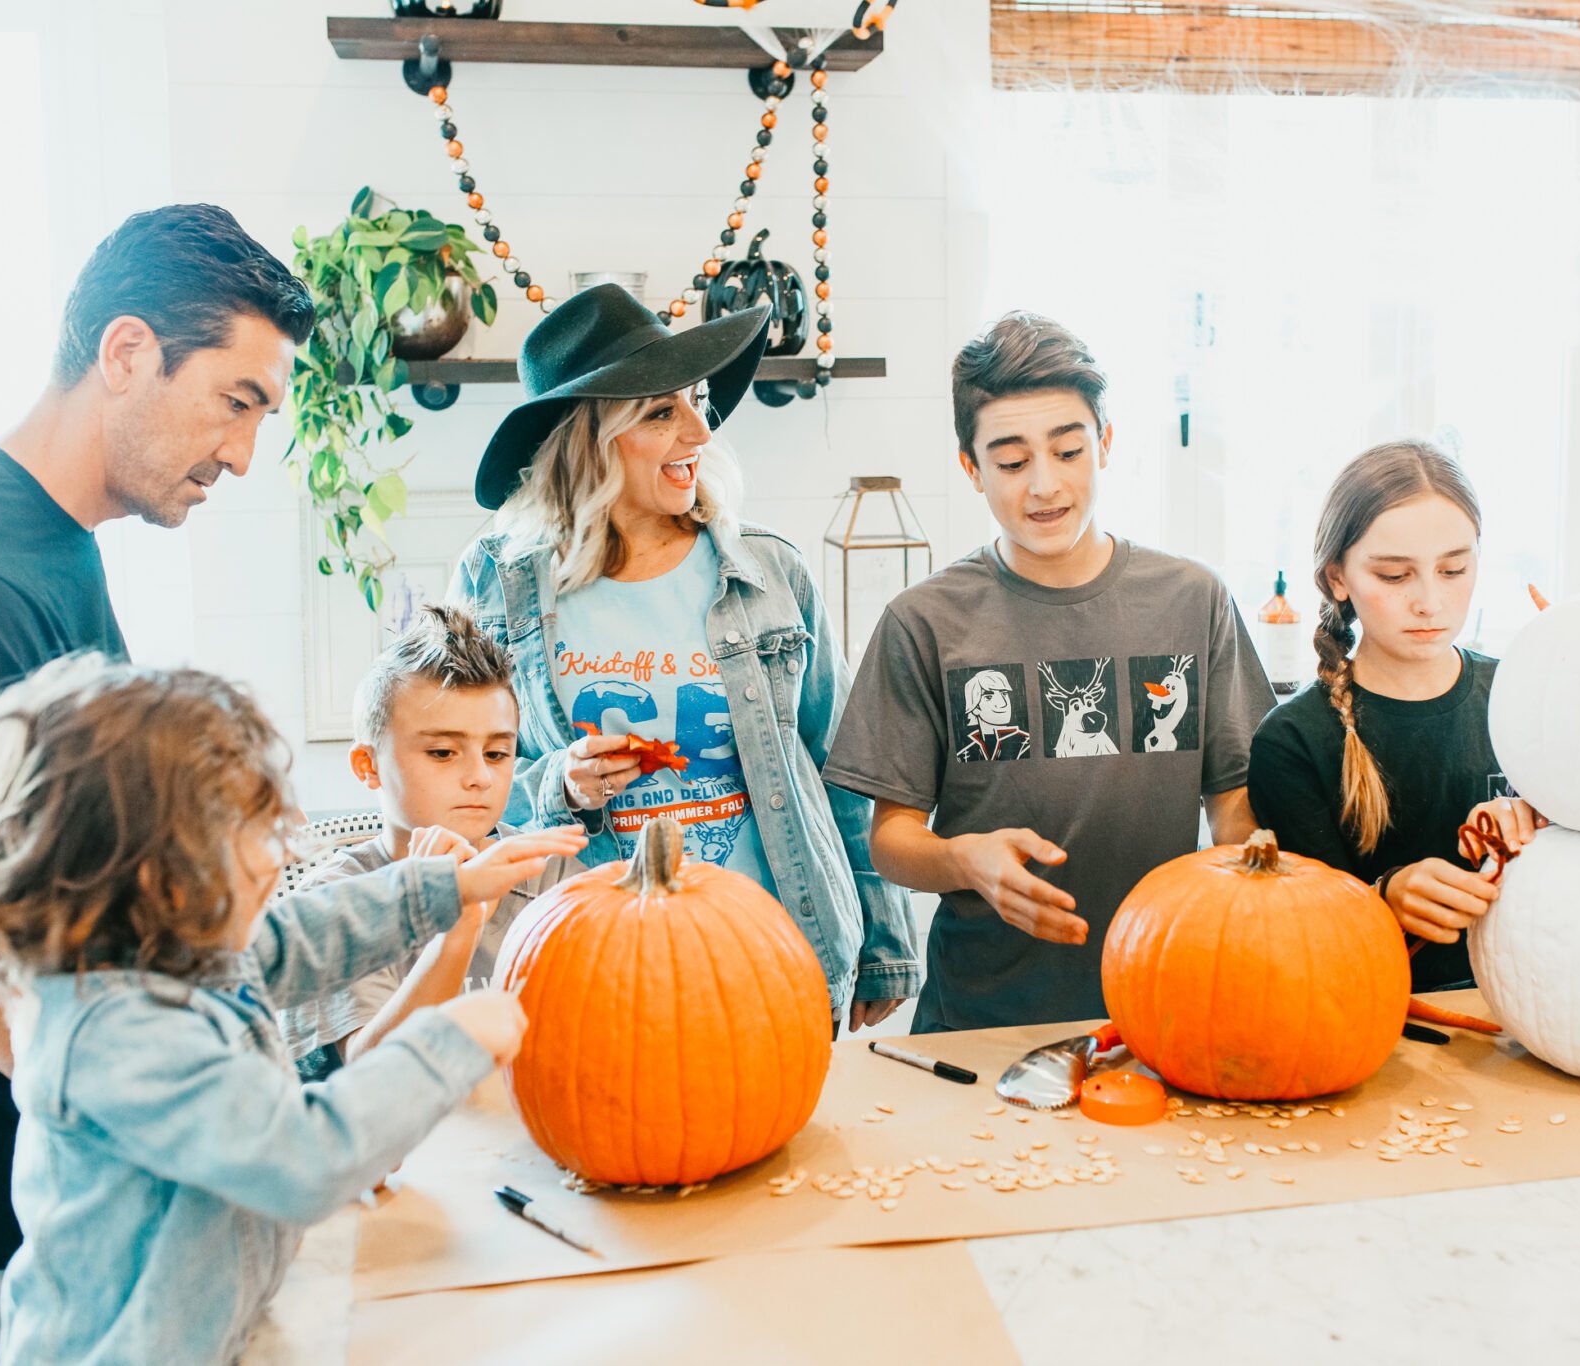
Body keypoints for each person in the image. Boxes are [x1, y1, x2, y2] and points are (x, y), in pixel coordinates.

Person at [0, 203, 313, 1362]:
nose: (244, 454)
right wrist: (152, 1113)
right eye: (236, 401)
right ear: (126, 354)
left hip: (46, 1176)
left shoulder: (52, 537)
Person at [0, 655, 567, 1364]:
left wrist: (447, 886)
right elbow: (301, 1159)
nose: (279, 856)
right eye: (257, 835)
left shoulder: (166, 952)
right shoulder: (116, 1031)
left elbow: (294, 939)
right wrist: (448, 1040)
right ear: (159, 869)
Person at [450, 283, 917, 1034]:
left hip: (778, 948)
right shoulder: (497, 582)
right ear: (589, 439)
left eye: (696, 400)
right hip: (597, 969)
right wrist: (559, 785)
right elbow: (462, 778)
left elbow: (841, 765)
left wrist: (887, 941)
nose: (701, 430)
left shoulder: (770, 572)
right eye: (662, 413)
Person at [824, 312, 1276, 1033]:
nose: (1044, 485)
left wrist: (1260, 864)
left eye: (1069, 451)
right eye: (1010, 462)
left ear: (1105, 444)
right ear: (971, 468)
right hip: (981, 1018)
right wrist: (965, 859)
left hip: (1164, 1006)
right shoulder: (925, 621)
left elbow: (1231, 802)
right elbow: (891, 838)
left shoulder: (1193, 600)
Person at [1246, 440, 1544, 992]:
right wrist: (1383, 896)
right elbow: (1305, 929)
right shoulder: (1292, 742)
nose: (1430, 601)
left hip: (1533, 1016)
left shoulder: (1530, 696)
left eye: (1453, 569)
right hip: (1373, 1022)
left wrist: (1543, 825)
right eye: (1394, 576)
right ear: (1338, 577)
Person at [278, 604, 586, 1076]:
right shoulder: (334, 904)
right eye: (443, 752)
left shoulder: (554, 876)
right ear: (368, 765)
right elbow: (374, 1081)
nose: (480, 777)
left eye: (498, 752)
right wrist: (456, 927)